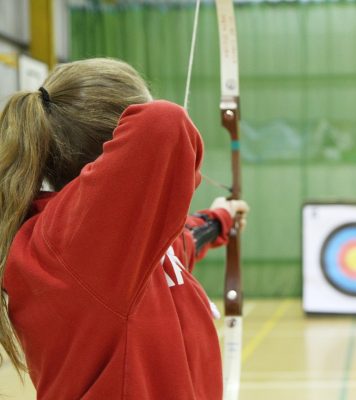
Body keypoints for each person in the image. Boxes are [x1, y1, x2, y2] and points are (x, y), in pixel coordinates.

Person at [0, 58, 249, 399]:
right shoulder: (72, 245)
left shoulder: (112, 247)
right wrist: (179, 174)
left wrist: (218, 219)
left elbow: (176, 249)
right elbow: (164, 122)